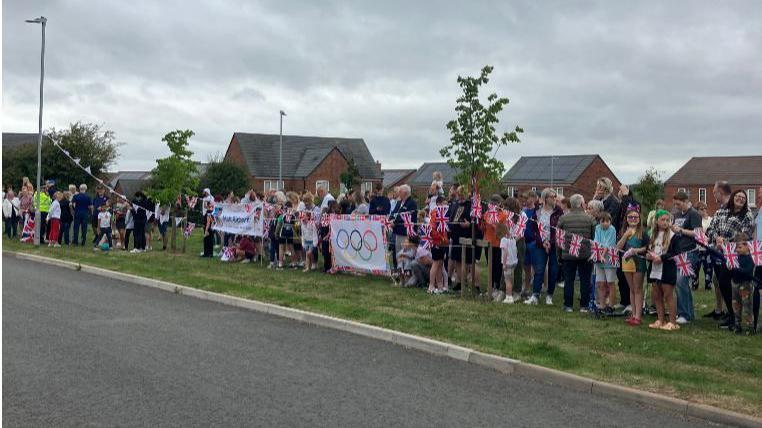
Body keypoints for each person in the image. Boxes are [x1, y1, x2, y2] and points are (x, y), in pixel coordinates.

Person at [708, 185, 755, 329]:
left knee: (725, 281)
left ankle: (735, 316)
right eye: (738, 197)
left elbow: (746, 235)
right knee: (721, 282)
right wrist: (716, 238)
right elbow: (710, 228)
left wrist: (726, 243)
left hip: (734, 255)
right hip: (718, 252)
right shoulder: (721, 211)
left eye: (743, 198)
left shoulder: (747, 215)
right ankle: (731, 313)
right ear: (733, 197)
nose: (740, 199)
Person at [558, 194, 596, 313]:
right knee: (585, 280)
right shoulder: (590, 219)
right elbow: (594, 238)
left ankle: (568, 305)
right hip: (585, 254)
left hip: (568, 254)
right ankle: (584, 306)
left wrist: (559, 254)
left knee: (569, 280)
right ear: (581, 204)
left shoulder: (563, 219)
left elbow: (558, 239)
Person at [670, 191, 702, 324]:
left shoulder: (694, 214)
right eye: (675, 204)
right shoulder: (676, 214)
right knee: (682, 284)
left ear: (685, 201)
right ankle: (688, 313)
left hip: (690, 251)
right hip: (678, 252)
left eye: (678, 204)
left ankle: (684, 314)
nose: (676, 206)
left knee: (681, 281)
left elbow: (698, 233)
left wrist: (681, 231)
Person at [526, 188, 563, 306]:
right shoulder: (537, 212)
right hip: (540, 244)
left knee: (553, 270)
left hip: (554, 244)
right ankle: (535, 295)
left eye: (555, 196)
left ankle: (549, 295)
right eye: (552, 196)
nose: (555, 199)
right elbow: (533, 229)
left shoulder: (558, 212)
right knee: (539, 269)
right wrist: (542, 241)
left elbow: (560, 229)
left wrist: (550, 242)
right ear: (546, 198)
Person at [646, 210, 679, 331]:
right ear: (657, 221)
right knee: (657, 294)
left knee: (668, 294)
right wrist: (648, 256)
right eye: (663, 220)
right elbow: (647, 249)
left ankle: (672, 321)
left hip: (667, 268)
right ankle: (660, 319)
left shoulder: (672, 236)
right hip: (655, 268)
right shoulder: (652, 234)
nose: (665, 222)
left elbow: (675, 252)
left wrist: (662, 258)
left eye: (667, 220)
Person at [618, 207, 650, 326]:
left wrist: (635, 250)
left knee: (637, 289)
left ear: (639, 219)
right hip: (626, 262)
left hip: (638, 263)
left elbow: (647, 248)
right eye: (630, 217)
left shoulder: (643, 232)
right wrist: (625, 235)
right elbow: (618, 248)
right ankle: (633, 313)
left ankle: (638, 316)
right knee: (631, 289)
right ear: (626, 219)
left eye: (635, 217)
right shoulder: (623, 231)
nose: (632, 219)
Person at [481, 194, 507, 300]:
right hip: (488, 243)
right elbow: (483, 228)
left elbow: (502, 231)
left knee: (497, 266)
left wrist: (494, 226)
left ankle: (496, 287)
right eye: (491, 203)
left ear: (499, 204)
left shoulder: (503, 215)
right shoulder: (486, 214)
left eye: (495, 203)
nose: (493, 205)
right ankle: (490, 287)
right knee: (490, 265)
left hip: (498, 244)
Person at [730, 234, 755, 335]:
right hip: (735, 284)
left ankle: (750, 326)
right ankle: (737, 325)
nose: (737, 250)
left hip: (745, 285)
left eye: (740, 247)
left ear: (747, 246)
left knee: (746, 306)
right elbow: (733, 270)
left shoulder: (750, 258)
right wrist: (730, 269)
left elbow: (747, 271)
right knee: (736, 305)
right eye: (736, 248)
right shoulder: (736, 258)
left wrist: (735, 268)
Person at [389, 185, 417, 269]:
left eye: (400, 191)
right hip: (397, 232)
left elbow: (406, 216)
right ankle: (399, 272)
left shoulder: (412, 203)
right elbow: (393, 213)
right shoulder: (399, 202)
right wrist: (390, 219)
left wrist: (395, 222)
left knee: (406, 254)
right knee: (398, 253)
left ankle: (407, 273)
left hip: (406, 233)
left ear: (405, 192)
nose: (398, 193)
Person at [428, 196, 449, 294]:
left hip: (444, 242)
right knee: (435, 263)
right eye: (444, 203)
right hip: (436, 242)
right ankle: (431, 285)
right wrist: (440, 238)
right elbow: (432, 229)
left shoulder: (444, 214)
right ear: (438, 204)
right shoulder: (434, 213)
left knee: (441, 264)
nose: (446, 205)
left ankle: (440, 285)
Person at [694, 201, 714, 291]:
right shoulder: (695, 220)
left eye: (705, 208)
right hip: (697, 247)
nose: (703, 211)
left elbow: (713, 232)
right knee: (695, 267)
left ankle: (708, 285)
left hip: (708, 247)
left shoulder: (711, 219)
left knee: (708, 267)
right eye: (701, 209)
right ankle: (694, 284)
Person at [500, 222, 519, 304]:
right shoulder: (513, 239)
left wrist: (504, 264)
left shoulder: (503, 240)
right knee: (511, 279)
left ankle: (509, 297)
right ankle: (510, 295)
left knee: (507, 281)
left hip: (507, 263)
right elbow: (516, 250)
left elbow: (505, 253)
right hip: (514, 262)